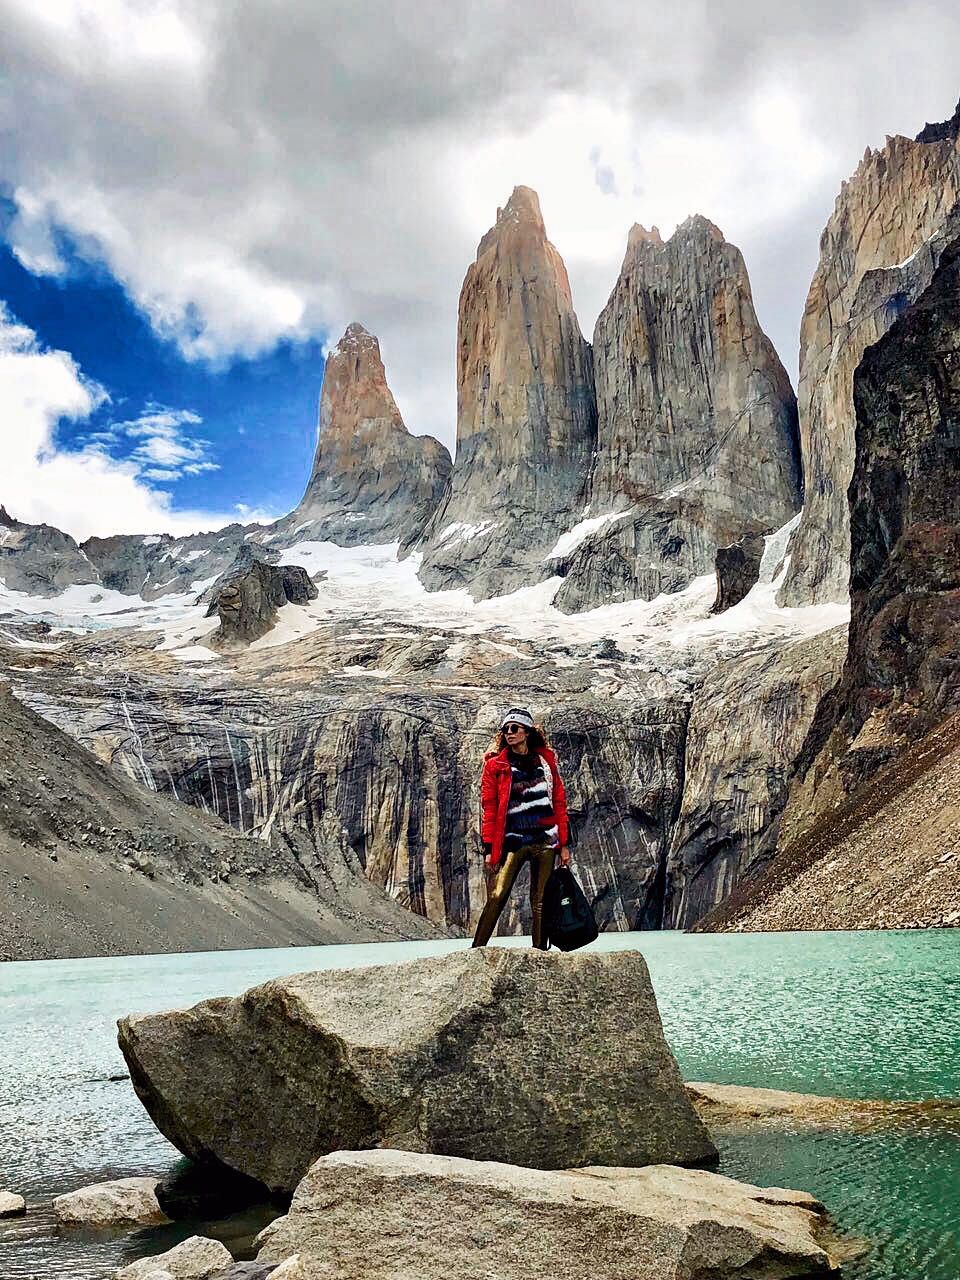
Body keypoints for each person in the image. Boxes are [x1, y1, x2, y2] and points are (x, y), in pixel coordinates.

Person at [471, 707, 570, 949]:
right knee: (497, 895)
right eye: (505, 729)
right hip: (514, 841)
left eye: (514, 728)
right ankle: (476, 952)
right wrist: (488, 848)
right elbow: (490, 808)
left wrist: (564, 844)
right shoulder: (496, 766)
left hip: (546, 839)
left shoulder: (546, 762)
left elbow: (558, 801)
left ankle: (539, 954)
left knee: (540, 901)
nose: (509, 733)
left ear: (526, 732)